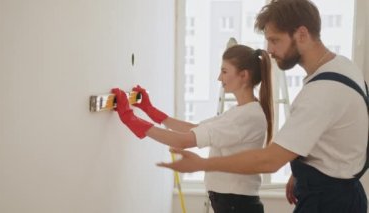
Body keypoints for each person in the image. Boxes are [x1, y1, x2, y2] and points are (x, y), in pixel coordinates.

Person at [157, 0, 369, 212]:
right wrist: (301, 174)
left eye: (275, 40)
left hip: (329, 203)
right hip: (338, 193)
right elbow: (340, 135)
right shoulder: (343, 66)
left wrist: (201, 164)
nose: (269, 50)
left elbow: (270, 160)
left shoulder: (321, 91)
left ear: (302, 34)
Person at [112, 44, 273, 213]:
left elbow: (183, 140)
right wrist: (151, 110)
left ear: (244, 75)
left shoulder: (246, 116)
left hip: (235, 204)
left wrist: (131, 119)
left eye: (224, 71)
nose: (219, 78)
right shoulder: (239, 112)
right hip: (232, 203)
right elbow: (194, 128)